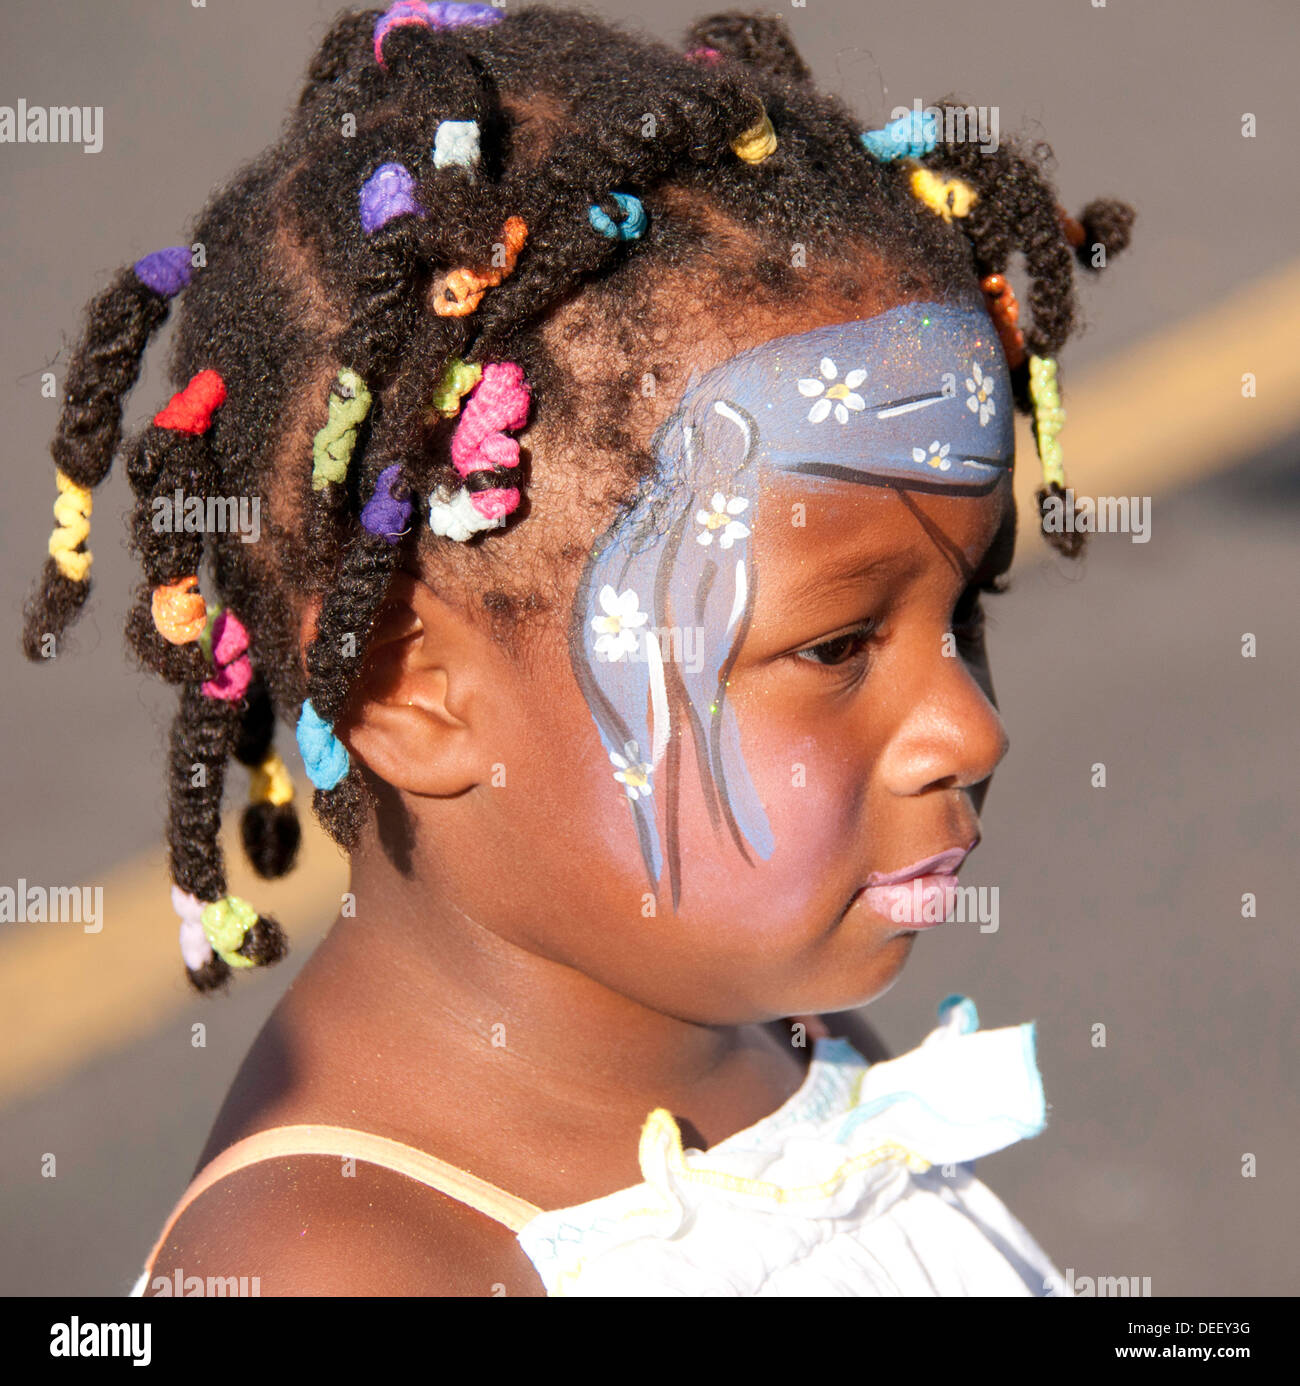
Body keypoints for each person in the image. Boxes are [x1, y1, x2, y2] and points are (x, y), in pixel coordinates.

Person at [20, 2, 1134, 1296]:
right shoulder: (334, 1268)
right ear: (411, 687)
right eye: (836, 644)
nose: (970, 725)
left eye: (966, 612)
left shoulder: (767, 1032)